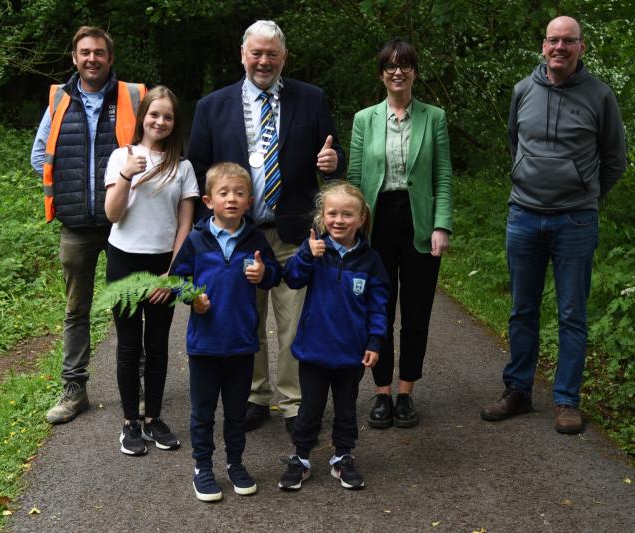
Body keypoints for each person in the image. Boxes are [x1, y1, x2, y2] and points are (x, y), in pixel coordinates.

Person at [187, 20, 345, 433]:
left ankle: (293, 403)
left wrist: (333, 163)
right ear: (242, 55)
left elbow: (334, 156)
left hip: (293, 231)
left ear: (284, 58)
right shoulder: (212, 106)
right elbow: (198, 169)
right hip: (239, 236)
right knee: (245, 320)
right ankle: (255, 396)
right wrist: (210, 231)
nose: (263, 61)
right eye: (256, 53)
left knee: (295, 322)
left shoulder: (311, 100)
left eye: (271, 54)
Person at [480, 16, 626, 434]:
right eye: (553, 40)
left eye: (568, 41)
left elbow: (614, 159)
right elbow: (515, 142)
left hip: (575, 221)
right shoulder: (523, 90)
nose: (559, 47)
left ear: (581, 48)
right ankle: (518, 392)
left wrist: (587, 196)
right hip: (524, 215)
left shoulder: (600, 96)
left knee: (571, 314)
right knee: (522, 310)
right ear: (543, 46)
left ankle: (566, 401)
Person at [31, 26, 146, 424]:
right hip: (76, 225)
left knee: (129, 304)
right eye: (85, 53)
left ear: (110, 59)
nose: (92, 59)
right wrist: (70, 192)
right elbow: (39, 156)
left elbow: (155, 149)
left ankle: (141, 387)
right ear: (74, 59)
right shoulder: (59, 101)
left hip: (125, 223)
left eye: (99, 52)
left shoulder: (133, 98)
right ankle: (74, 389)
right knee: (76, 309)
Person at [347, 39, 453, 429]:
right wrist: (351, 230)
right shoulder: (365, 119)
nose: (397, 72)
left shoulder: (434, 117)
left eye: (404, 65)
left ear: (414, 72)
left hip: (419, 220)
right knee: (378, 308)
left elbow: (442, 177)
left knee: (417, 309)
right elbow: (356, 179)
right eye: (390, 66)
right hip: (376, 222)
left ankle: (406, 391)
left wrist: (442, 224)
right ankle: (381, 391)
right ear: (381, 74)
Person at [171, 163, 282, 502]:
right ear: (208, 200)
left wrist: (263, 272)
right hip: (204, 345)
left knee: (236, 412)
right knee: (202, 412)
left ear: (249, 201)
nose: (231, 199)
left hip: (241, 344)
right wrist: (193, 298)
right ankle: (202, 467)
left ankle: (235, 464)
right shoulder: (196, 240)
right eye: (224, 193)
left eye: (239, 193)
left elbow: (276, 274)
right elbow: (177, 281)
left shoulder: (256, 239)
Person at [103, 86, 197, 455]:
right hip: (125, 260)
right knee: (128, 345)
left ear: (176, 124)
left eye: (168, 116)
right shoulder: (120, 157)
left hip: (163, 265)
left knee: (157, 345)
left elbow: (185, 226)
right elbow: (112, 215)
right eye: (154, 114)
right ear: (142, 116)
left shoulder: (183, 167)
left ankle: (154, 418)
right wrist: (126, 175)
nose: (160, 121)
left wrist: (171, 276)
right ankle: (130, 423)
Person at [277, 182, 389, 491]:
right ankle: (300, 458)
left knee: (346, 409)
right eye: (332, 214)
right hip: (314, 349)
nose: (339, 220)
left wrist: (375, 341)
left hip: (350, 353)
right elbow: (293, 279)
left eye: (347, 215)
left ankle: (343, 456)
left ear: (361, 219)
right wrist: (307, 256)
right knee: (309, 408)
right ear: (322, 217)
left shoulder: (371, 261)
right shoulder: (315, 249)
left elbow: (379, 307)